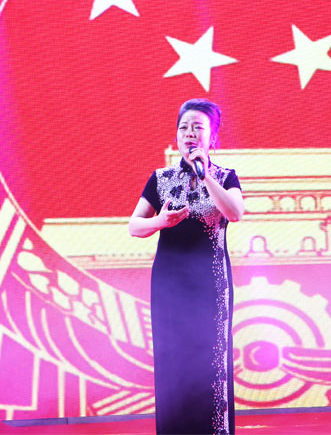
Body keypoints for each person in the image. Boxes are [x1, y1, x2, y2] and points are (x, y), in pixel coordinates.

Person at [129, 99, 244, 435]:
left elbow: (235, 212)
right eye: (184, 127)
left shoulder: (225, 177)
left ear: (212, 137)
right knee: (173, 362)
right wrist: (160, 221)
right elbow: (134, 226)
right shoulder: (161, 179)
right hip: (169, 285)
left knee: (211, 363)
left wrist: (205, 175)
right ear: (176, 135)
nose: (190, 133)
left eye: (198, 127)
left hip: (211, 285)